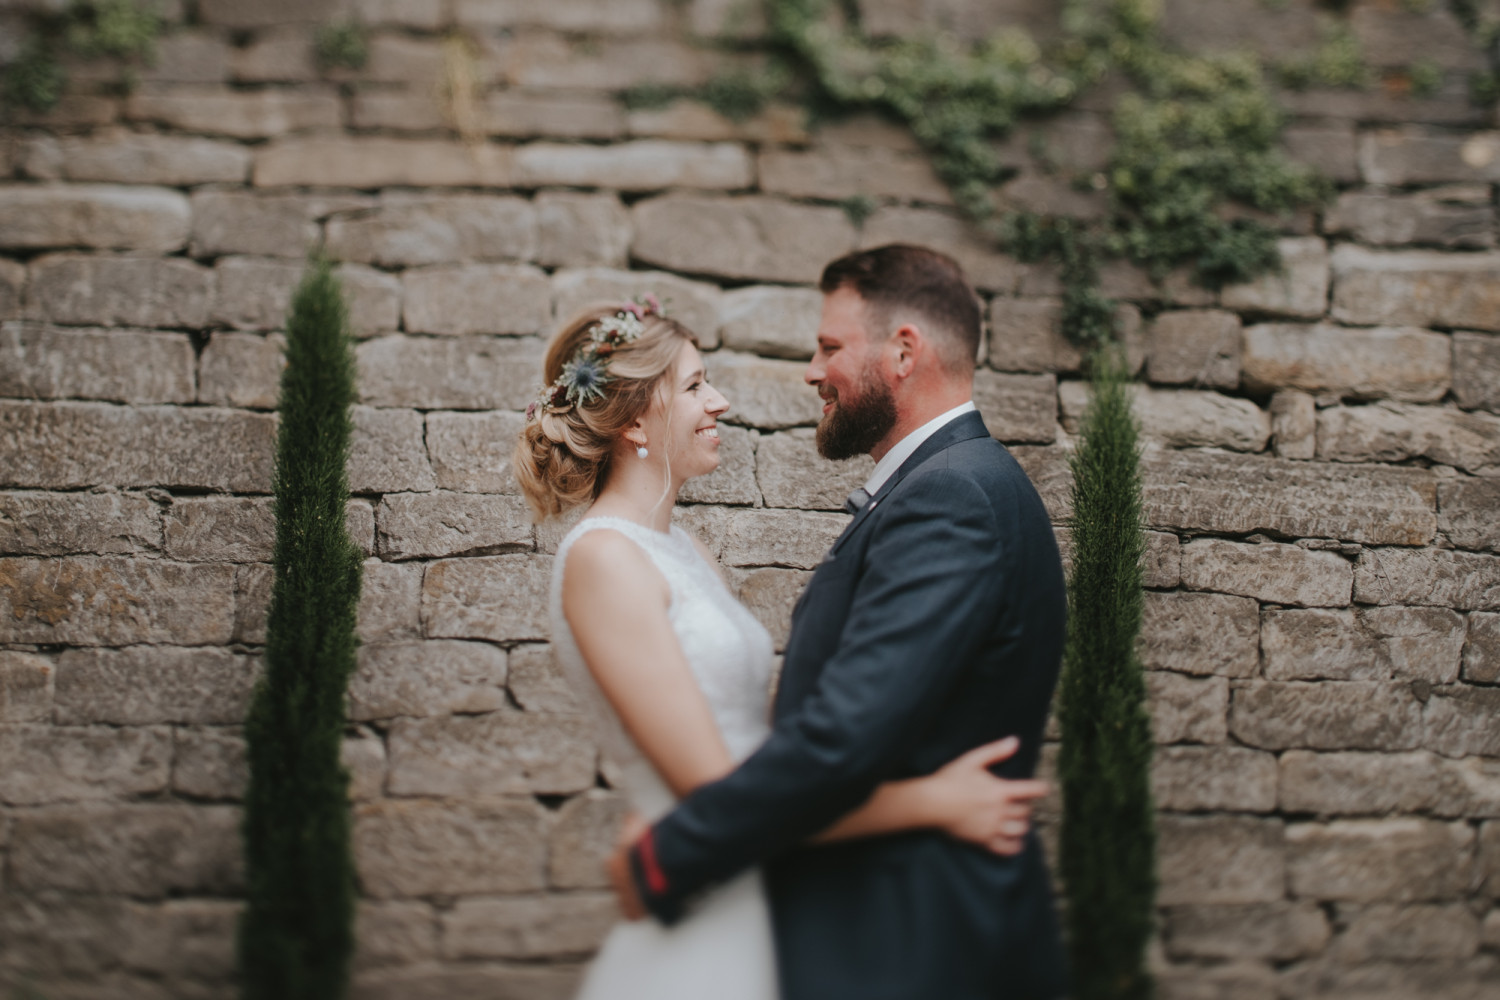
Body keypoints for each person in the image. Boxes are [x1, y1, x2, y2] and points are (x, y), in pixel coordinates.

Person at [513, 296, 1049, 1000]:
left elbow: (765, 744)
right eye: (697, 386)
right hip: (708, 928)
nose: (722, 401)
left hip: (770, 898)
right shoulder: (604, 562)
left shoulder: (684, 551)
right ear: (636, 418)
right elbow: (717, 793)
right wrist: (930, 801)